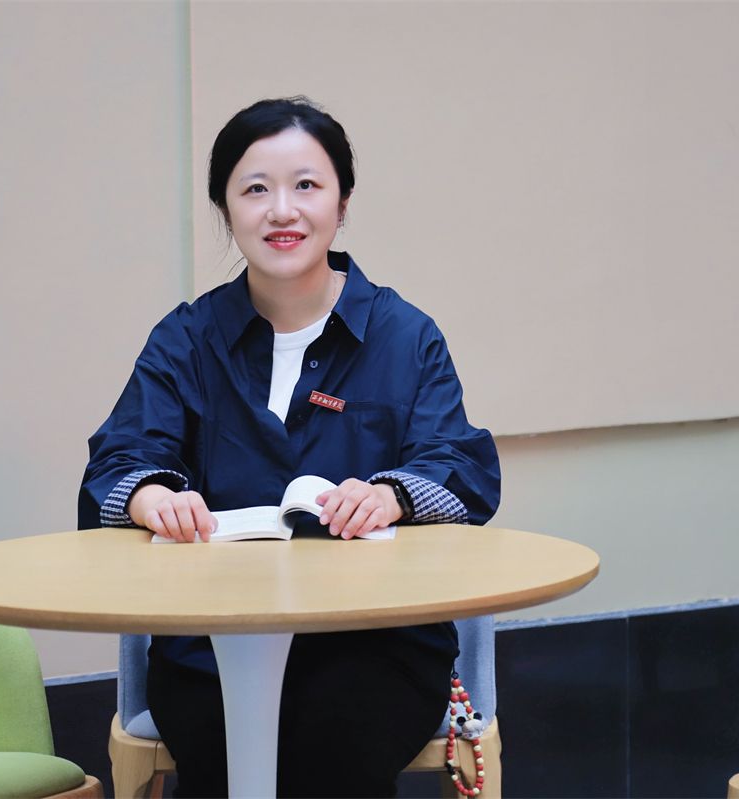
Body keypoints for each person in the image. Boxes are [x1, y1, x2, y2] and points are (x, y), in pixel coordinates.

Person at [79, 96, 500, 798]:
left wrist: (391, 494)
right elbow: (118, 462)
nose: (282, 211)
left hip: (376, 646)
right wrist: (152, 497)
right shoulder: (185, 340)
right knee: (228, 747)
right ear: (225, 208)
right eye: (255, 189)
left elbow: (461, 467)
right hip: (213, 647)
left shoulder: (405, 336)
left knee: (330, 742)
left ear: (342, 202)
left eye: (306, 185)